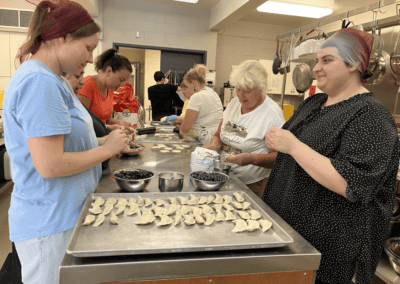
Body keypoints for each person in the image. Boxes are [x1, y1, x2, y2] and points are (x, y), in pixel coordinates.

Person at [3, 2, 128, 283]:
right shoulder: (39, 82)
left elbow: (63, 143)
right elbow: (50, 164)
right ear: (63, 38)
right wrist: (105, 150)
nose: (91, 57)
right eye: (87, 47)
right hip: (49, 222)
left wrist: (104, 139)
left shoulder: (54, 81)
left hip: (62, 214)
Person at [263, 28, 400, 284]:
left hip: (330, 250)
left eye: (327, 60)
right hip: (290, 234)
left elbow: (351, 184)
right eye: (317, 60)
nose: (316, 68)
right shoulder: (313, 103)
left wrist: (293, 146)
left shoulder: (370, 115)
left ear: (354, 65)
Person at [203, 60, 285, 198]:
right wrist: (214, 147)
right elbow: (218, 135)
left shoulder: (272, 115)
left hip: (252, 186)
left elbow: (280, 158)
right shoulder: (234, 104)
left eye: (247, 91)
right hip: (223, 176)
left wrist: (252, 159)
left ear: (260, 88)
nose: (240, 96)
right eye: (238, 89)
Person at [64, 70, 144, 171]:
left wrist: (109, 134)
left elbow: (80, 139)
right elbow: (55, 163)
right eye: (77, 75)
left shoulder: (71, 102)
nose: (82, 82)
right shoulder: (56, 106)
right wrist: (107, 148)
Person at [77, 48, 135, 132]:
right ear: (109, 71)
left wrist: (121, 122)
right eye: (121, 79)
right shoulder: (87, 85)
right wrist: (108, 127)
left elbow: (104, 119)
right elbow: (81, 122)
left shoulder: (110, 88)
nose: (122, 85)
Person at [179, 69, 223, 145]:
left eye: (186, 86)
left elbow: (185, 128)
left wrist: (179, 131)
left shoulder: (197, 96)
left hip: (206, 140)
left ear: (193, 83)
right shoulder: (212, 93)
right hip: (217, 139)